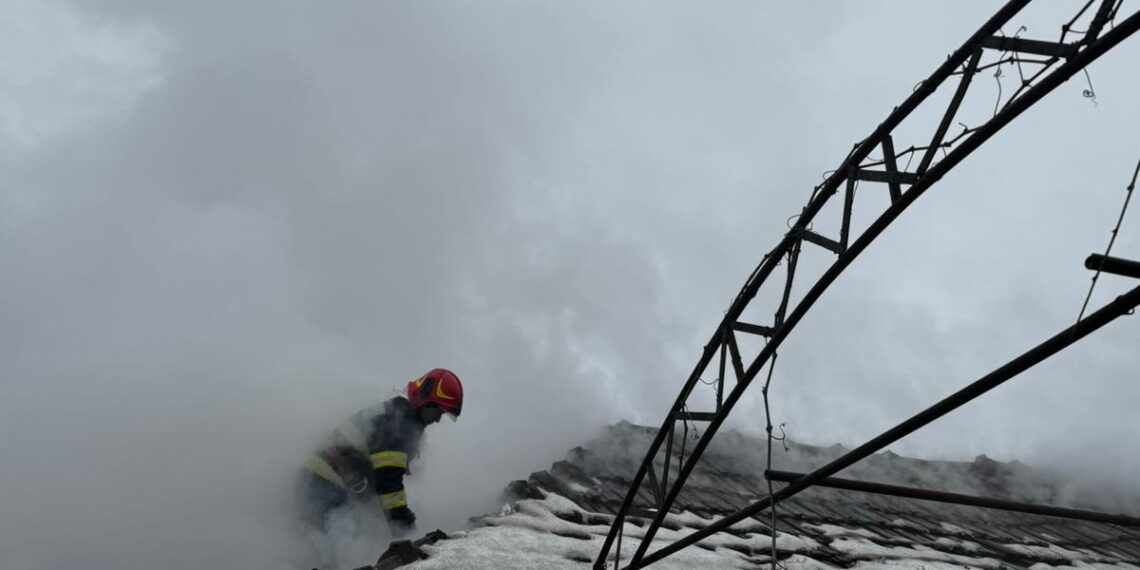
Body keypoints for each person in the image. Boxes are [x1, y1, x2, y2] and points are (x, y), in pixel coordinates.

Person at [296, 368, 463, 540]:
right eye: (438, 412)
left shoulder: (397, 414)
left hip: (320, 482)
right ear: (426, 402)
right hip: (323, 484)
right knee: (337, 546)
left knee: (339, 542)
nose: (437, 419)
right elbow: (388, 484)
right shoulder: (401, 425)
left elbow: (380, 478)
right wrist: (407, 532)